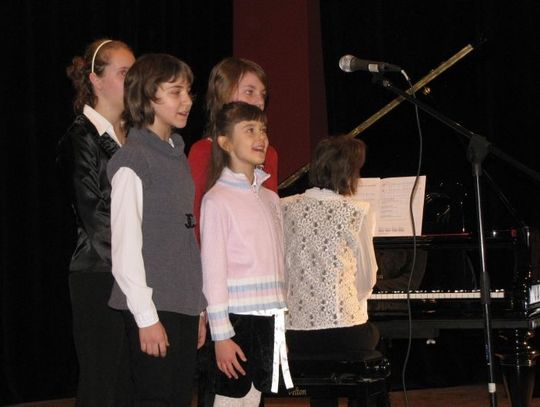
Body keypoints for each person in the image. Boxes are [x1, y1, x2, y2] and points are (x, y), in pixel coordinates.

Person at [107, 53, 207, 406]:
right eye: (175, 92)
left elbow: (185, 240)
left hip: (181, 304)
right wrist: (146, 317)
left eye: (189, 92)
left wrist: (198, 307)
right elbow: (125, 249)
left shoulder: (175, 154)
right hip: (153, 306)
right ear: (148, 96)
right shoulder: (134, 159)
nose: (187, 101)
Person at [56, 38, 135, 407]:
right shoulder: (79, 138)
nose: (133, 81)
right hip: (99, 273)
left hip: (134, 275)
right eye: (123, 73)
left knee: (130, 385)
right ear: (96, 79)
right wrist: (137, 262)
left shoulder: (137, 138)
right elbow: (95, 217)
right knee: (102, 384)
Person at [201, 101, 292, 406]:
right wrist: (221, 336)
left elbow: (279, 266)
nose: (261, 137)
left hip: (268, 320)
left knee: (254, 400)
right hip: (236, 321)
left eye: (263, 130)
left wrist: (280, 330)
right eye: (250, 130)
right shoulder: (217, 199)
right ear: (225, 142)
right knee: (229, 400)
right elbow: (213, 274)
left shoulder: (270, 198)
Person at [281, 135, 380, 407]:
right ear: (349, 172)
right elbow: (367, 277)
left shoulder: (284, 206)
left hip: (297, 335)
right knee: (371, 336)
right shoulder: (358, 210)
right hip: (343, 332)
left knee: (322, 369)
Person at [188, 57, 278, 244]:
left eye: (263, 94)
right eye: (249, 92)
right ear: (224, 94)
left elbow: (272, 219)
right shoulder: (203, 151)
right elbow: (197, 219)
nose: (259, 102)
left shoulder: (268, 154)